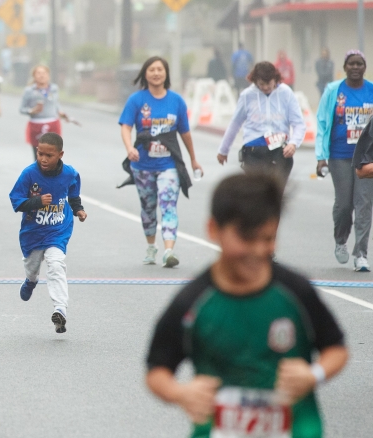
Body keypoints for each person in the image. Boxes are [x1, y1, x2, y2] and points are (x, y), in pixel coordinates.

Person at [145, 172, 348, 438]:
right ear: (213, 229)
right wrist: (181, 393)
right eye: (246, 238)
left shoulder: (295, 292)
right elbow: (157, 370)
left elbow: (337, 348)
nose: (257, 251)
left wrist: (314, 374)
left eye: (267, 239)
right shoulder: (193, 301)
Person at [118, 56, 202, 268]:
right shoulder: (136, 100)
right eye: (152, 69)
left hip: (168, 165)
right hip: (142, 165)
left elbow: (185, 133)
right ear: (145, 74)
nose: (156, 73)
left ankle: (168, 251)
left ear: (166, 74)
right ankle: (151, 246)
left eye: (160, 69)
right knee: (148, 207)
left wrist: (193, 159)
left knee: (168, 205)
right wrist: (129, 148)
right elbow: (126, 127)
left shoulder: (176, 101)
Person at [9, 132, 86, 334]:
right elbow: (16, 202)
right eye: (40, 154)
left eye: (49, 155)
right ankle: (31, 280)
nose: (43, 159)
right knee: (32, 268)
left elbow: (73, 193)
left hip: (57, 230)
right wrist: (37, 202)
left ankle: (60, 310)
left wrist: (78, 209)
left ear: (60, 154)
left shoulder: (69, 173)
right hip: (32, 233)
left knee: (56, 264)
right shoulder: (29, 174)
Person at [315, 50, 373, 272]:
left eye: (360, 64)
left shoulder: (371, 90)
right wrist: (321, 157)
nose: (356, 67)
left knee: (364, 204)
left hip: (367, 157)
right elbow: (321, 122)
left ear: (364, 67)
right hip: (339, 155)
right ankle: (341, 240)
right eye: (352, 64)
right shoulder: (333, 90)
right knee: (344, 205)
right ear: (345, 66)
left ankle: (360, 254)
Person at [217, 61, 305, 186]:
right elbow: (235, 123)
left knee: (275, 193)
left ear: (275, 79)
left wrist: (293, 144)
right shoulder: (247, 95)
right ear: (255, 81)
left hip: (279, 149)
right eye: (261, 84)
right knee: (257, 193)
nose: (264, 88)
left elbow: (299, 124)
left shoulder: (286, 93)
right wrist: (223, 150)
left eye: (268, 84)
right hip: (254, 150)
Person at [20, 65, 71, 161]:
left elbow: (56, 104)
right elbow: (21, 109)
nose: (41, 75)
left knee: (53, 154)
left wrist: (61, 113)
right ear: (34, 76)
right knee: (38, 154)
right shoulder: (29, 91)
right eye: (38, 73)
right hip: (36, 125)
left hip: (52, 124)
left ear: (48, 75)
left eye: (44, 73)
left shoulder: (54, 88)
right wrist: (31, 111)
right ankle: (38, 174)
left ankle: (53, 175)